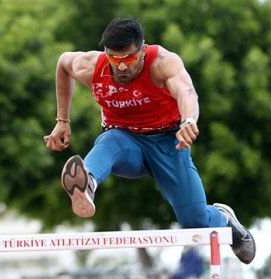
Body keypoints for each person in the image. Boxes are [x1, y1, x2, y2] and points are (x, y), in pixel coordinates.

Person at [43, 17, 255, 264]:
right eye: (114, 59)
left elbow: (186, 91)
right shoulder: (93, 66)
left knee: (195, 223)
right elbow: (63, 64)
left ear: (142, 51)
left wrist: (188, 121)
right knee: (109, 141)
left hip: (168, 144)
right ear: (106, 53)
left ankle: (224, 218)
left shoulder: (162, 63)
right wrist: (62, 120)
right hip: (125, 143)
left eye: (129, 60)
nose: (121, 68)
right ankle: (86, 183)